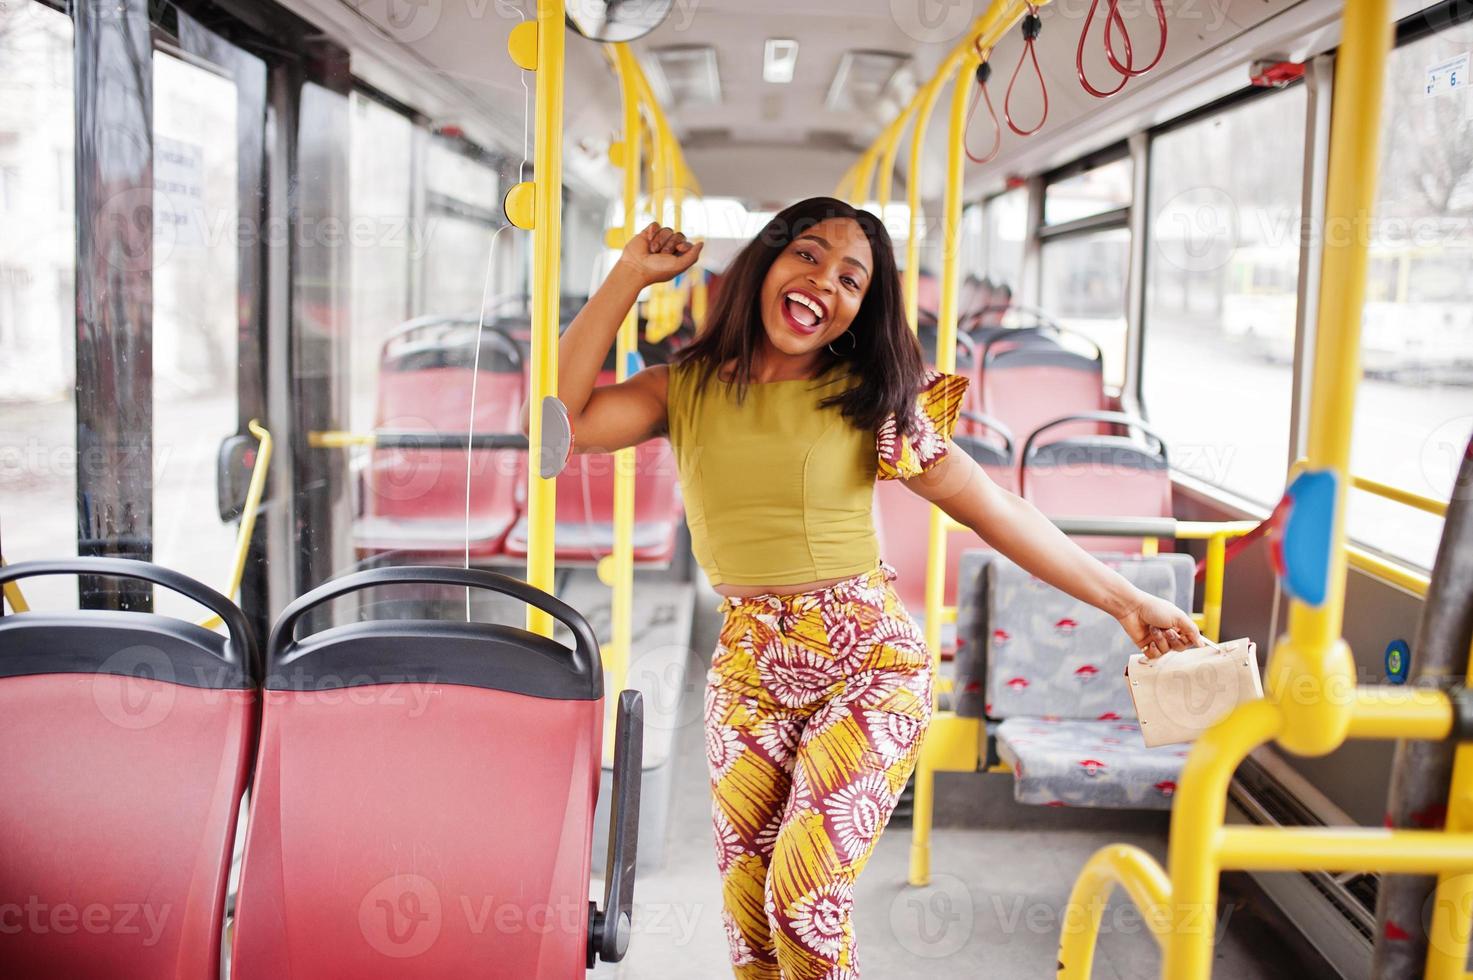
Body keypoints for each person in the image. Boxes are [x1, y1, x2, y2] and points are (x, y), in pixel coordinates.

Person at [543, 197, 1200, 980]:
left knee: (805, 899)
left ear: (860, 309)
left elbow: (997, 510)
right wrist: (627, 276)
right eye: (808, 256)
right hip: (748, 671)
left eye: (851, 279)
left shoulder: (875, 404)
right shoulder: (680, 388)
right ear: (765, 262)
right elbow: (556, 422)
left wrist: (1128, 601)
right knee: (753, 929)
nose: (824, 282)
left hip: (868, 667)